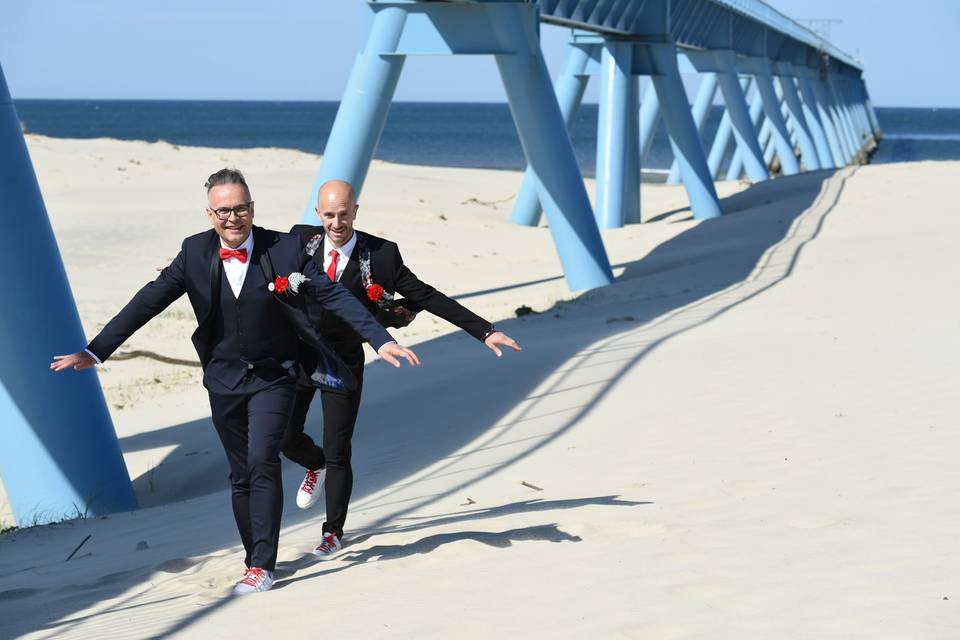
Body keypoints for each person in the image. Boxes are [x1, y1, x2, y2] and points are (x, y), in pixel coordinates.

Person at [50, 169, 420, 595]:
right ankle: (252, 557)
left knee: (264, 461)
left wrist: (379, 338)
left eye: (241, 208)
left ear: (252, 209)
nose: (233, 217)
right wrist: (96, 350)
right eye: (224, 210)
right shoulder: (193, 252)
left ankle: (263, 566)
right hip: (222, 378)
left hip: (274, 374)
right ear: (210, 214)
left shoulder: (284, 248)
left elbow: (331, 293)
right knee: (241, 474)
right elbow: (148, 300)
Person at [281, 179, 520, 556]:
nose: (337, 223)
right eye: (329, 215)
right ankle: (315, 465)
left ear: (356, 211)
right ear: (318, 215)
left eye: (344, 214)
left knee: (339, 447)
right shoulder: (298, 241)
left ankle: (333, 531)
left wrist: (484, 331)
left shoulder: (381, 255)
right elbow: (253, 253)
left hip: (344, 361)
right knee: (283, 435)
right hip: (301, 355)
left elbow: (426, 294)